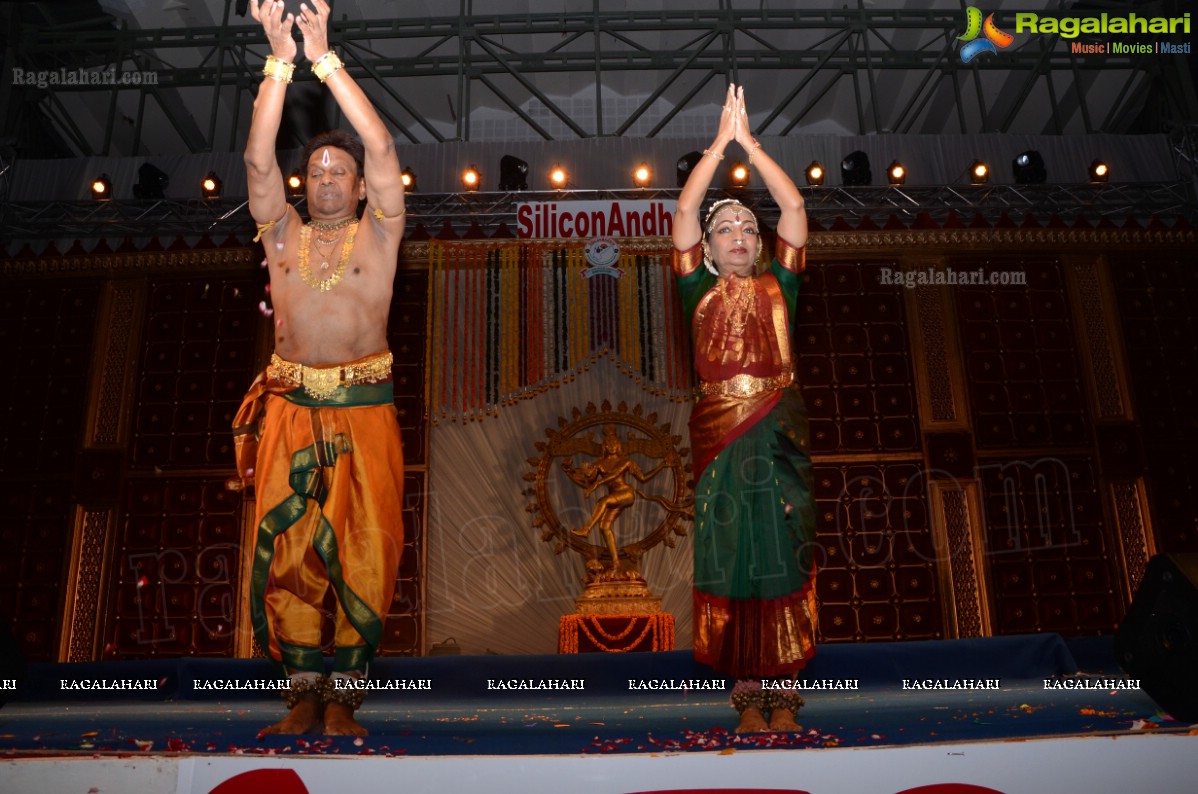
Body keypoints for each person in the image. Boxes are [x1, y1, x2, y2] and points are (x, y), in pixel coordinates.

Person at [232, 0, 407, 737]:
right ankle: (303, 691)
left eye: (341, 172)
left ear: (363, 187)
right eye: (318, 172)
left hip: (365, 409)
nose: (328, 180)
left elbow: (383, 144)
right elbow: (256, 160)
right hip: (291, 410)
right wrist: (277, 59)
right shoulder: (282, 234)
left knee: (365, 553)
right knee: (293, 554)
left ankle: (345, 698)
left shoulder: (383, 229)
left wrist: (326, 56)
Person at [672, 85, 817, 734]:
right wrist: (716, 149)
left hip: (780, 435)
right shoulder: (696, 290)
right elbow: (683, 206)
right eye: (725, 228)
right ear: (707, 248)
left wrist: (751, 149)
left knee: (782, 549)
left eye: (747, 229)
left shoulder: (780, 284)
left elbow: (792, 202)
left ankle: (784, 695)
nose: (739, 234)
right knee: (732, 554)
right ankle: (748, 694)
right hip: (720, 439)